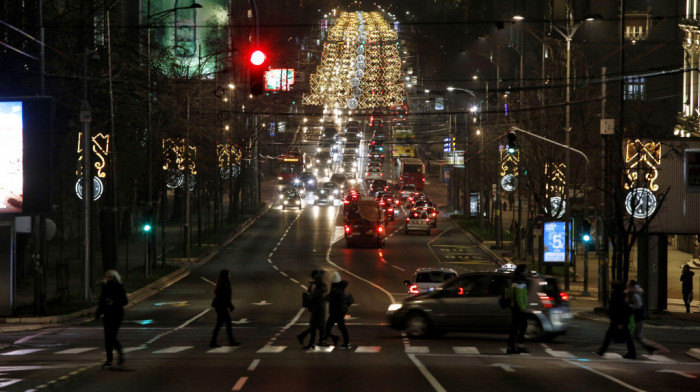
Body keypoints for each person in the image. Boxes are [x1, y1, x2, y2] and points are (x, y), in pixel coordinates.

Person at [95, 269, 128, 368]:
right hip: (107, 314)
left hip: (117, 314)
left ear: (113, 277)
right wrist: (98, 313)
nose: (105, 278)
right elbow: (102, 301)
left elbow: (125, 301)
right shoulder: (105, 287)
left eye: (108, 276)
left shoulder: (119, 287)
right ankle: (109, 360)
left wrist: (114, 302)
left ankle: (120, 353)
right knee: (108, 338)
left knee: (111, 336)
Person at [596, 281, 637, 359]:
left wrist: (620, 323)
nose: (610, 289)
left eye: (611, 287)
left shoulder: (617, 296)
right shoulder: (619, 295)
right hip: (619, 320)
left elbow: (618, 310)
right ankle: (602, 350)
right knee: (612, 335)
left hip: (619, 320)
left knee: (624, 336)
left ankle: (632, 353)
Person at [210, 269, 240, 348]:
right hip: (222, 307)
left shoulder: (221, 285)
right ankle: (215, 341)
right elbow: (226, 299)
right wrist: (231, 307)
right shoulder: (225, 286)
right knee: (223, 324)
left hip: (220, 307)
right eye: (229, 275)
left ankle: (216, 341)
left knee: (222, 324)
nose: (230, 276)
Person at [297, 270, 327, 349]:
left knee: (318, 325)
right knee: (317, 326)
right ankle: (313, 341)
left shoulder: (319, 287)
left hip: (318, 308)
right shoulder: (318, 287)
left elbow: (315, 295)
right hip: (317, 308)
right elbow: (314, 294)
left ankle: (312, 341)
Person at [626, 280, 655, 354]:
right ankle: (649, 348)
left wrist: (629, 307)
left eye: (628, 284)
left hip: (637, 317)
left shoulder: (634, 294)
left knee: (634, 336)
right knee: (637, 336)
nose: (627, 285)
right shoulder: (635, 293)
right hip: (638, 317)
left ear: (631, 286)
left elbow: (637, 305)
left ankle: (632, 352)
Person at [323, 271, 351, 349]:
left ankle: (346, 343)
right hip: (339, 310)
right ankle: (331, 340)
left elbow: (332, 298)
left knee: (336, 326)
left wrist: (324, 297)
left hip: (337, 311)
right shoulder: (339, 287)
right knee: (336, 326)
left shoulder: (336, 289)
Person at [506, 264, 529, 354]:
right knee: (521, 326)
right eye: (526, 270)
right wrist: (523, 308)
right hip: (518, 308)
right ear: (522, 271)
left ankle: (513, 346)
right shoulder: (519, 282)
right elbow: (519, 298)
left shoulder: (516, 280)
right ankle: (515, 346)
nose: (527, 272)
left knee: (516, 327)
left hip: (515, 307)